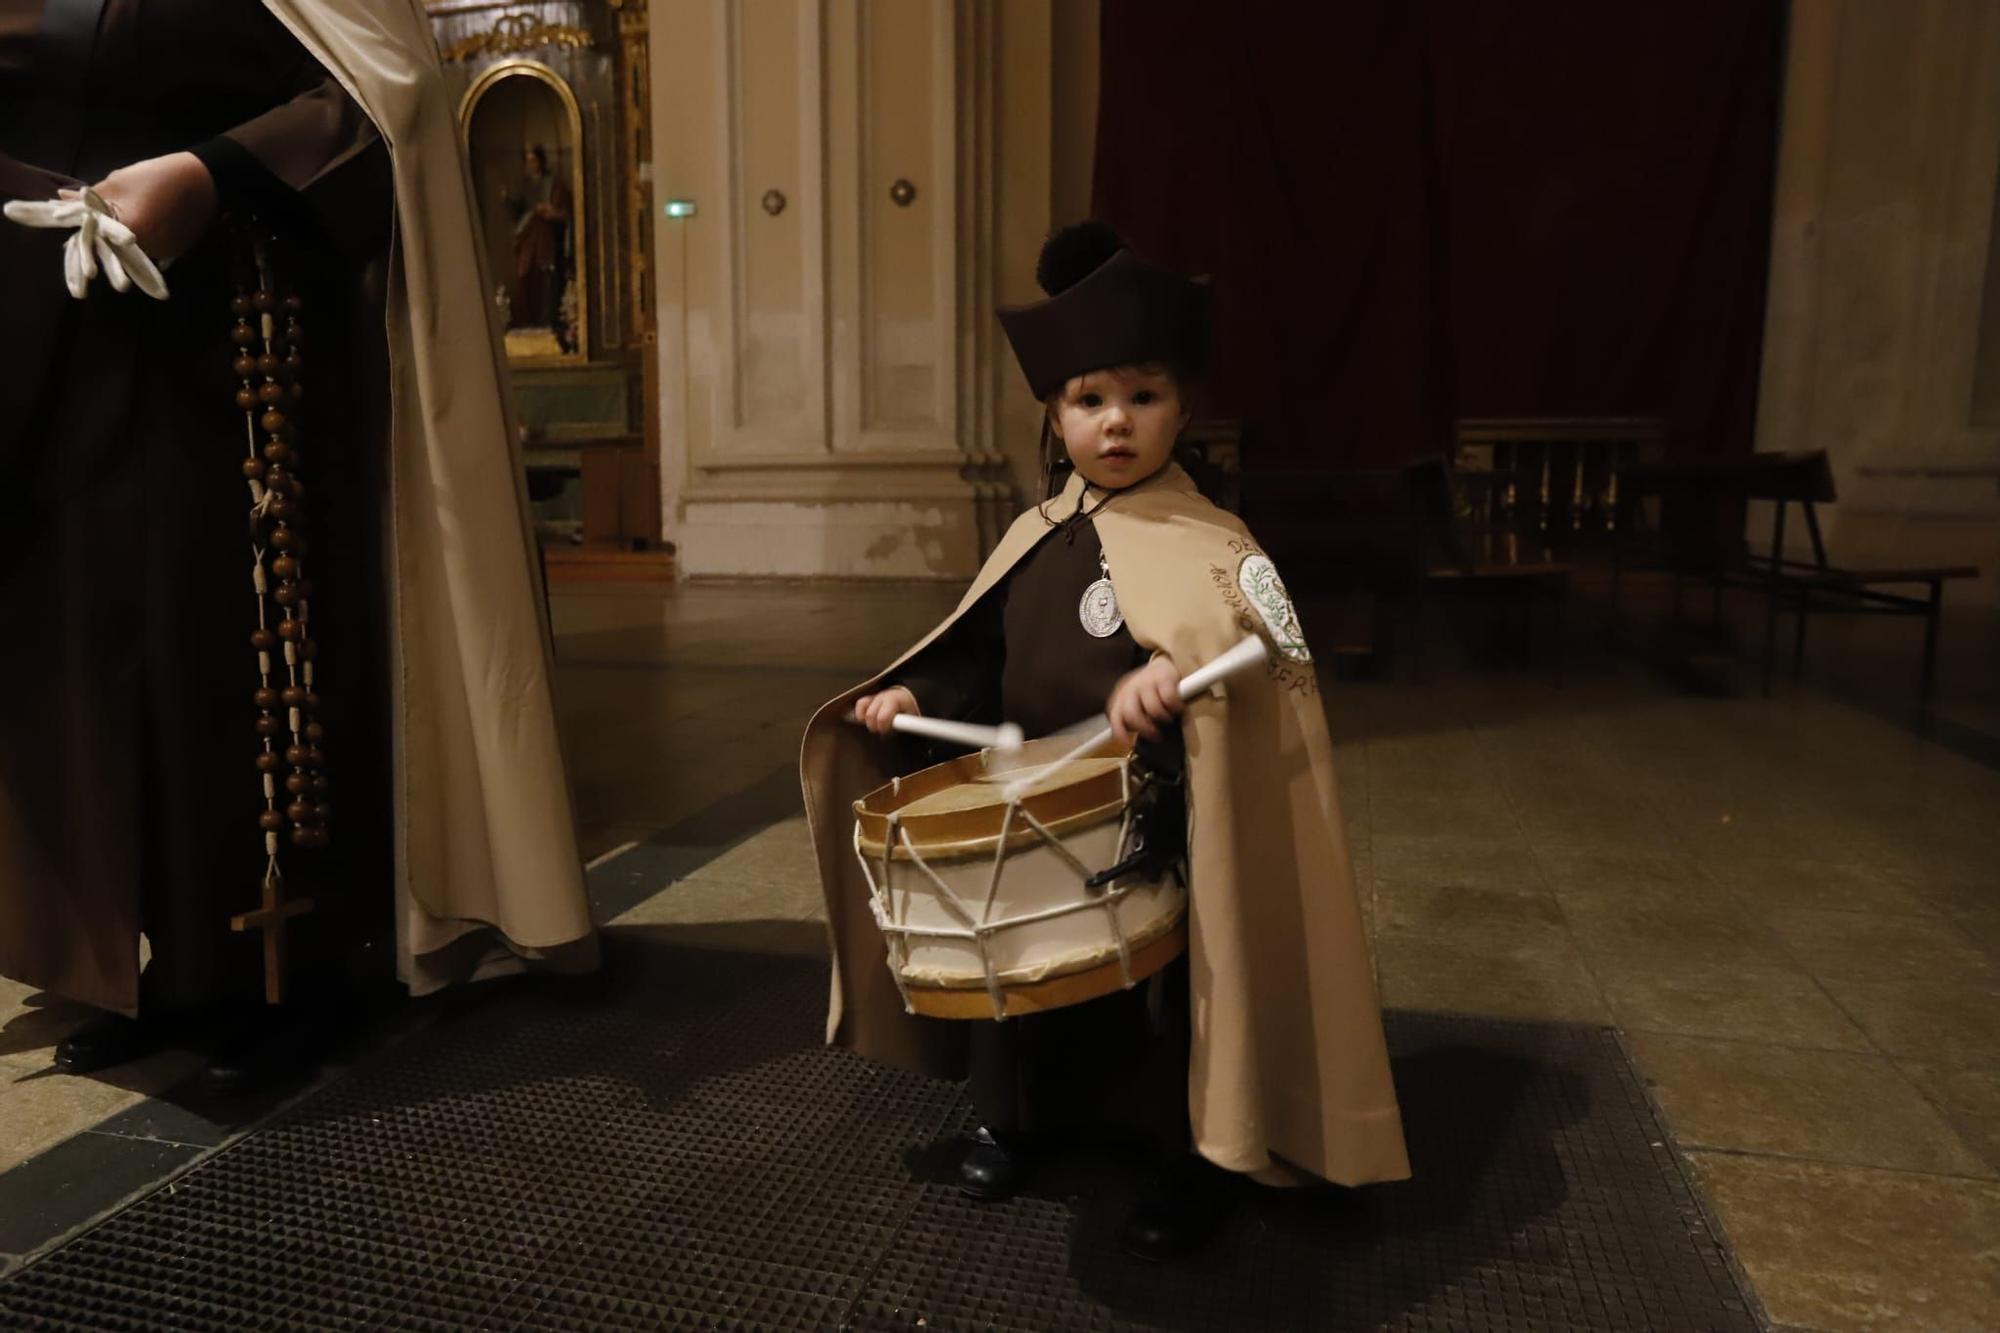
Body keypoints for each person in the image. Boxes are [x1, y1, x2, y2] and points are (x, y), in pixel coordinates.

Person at [0, 0, 597, 1092]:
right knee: (94, 673)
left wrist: (218, 170)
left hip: (244, 346)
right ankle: (165, 966)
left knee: (244, 667)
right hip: (67, 350)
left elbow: (385, 97)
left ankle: (290, 974)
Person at [801, 223, 1409, 1261]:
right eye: (1088, 400)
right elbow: (980, 652)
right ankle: (1013, 1120)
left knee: (1161, 1000)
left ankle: (1188, 1157)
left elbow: (1250, 652)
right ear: (1053, 413)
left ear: (1183, 408)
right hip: (1032, 809)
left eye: (1142, 397)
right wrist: (912, 690)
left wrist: (1176, 684)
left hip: (1149, 817)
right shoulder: (1035, 533)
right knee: (1017, 973)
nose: (1115, 424)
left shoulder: (1208, 539)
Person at [505, 144, 570, 337]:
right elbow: (518, 214)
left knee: (545, 278)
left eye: (534, 160)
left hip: (545, 240)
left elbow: (562, 213)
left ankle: (545, 320)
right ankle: (527, 320)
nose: (531, 164)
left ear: (541, 161)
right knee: (525, 276)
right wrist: (507, 199)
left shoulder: (553, 183)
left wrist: (548, 211)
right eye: (528, 161)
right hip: (528, 239)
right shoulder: (525, 186)